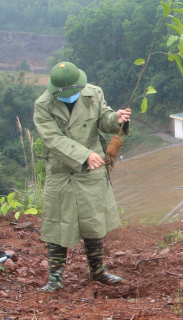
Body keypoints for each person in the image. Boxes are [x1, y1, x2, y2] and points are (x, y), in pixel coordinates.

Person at [34, 61, 130, 292]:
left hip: (92, 168)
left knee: (93, 221)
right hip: (62, 168)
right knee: (59, 223)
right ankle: (54, 278)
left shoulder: (93, 93)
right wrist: (84, 155)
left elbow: (103, 119)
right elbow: (53, 139)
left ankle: (97, 270)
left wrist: (115, 119)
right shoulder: (43, 105)